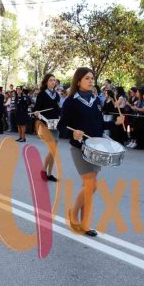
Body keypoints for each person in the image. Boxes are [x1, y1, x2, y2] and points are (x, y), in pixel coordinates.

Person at [57, 67, 105, 237]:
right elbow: (61, 127)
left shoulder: (96, 100)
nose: (91, 81)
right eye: (87, 78)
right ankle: (73, 213)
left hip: (97, 149)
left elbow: (100, 124)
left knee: (89, 187)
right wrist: (72, 133)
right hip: (79, 148)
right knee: (91, 185)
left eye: (92, 78)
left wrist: (115, 123)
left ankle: (85, 224)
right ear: (78, 81)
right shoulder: (71, 102)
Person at [33, 73, 61, 181]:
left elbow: (58, 110)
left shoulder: (57, 95)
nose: (53, 82)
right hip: (45, 123)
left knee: (54, 150)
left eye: (54, 80)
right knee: (52, 148)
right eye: (51, 80)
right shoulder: (42, 94)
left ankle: (49, 174)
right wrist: (36, 112)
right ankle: (43, 170)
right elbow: (36, 109)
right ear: (46, 82)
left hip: (55, 123)